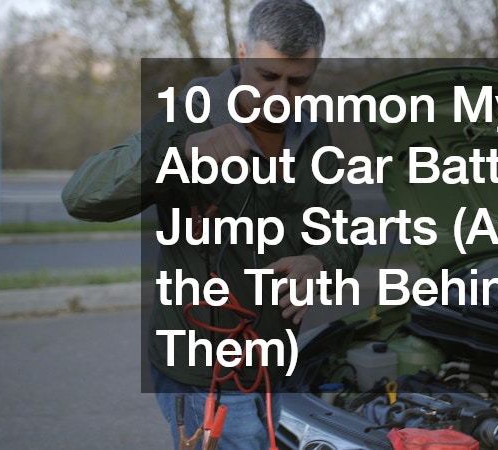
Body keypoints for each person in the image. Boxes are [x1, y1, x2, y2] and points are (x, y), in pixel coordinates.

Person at [62, 1, 362, 448]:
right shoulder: (190, 116)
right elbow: (82, 196)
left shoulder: (314, 133)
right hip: (205, 377)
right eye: (267, 76)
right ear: (242, 54)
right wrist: (178, 153)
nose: (281, 95)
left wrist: (320, 262)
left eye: (298, 81)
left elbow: (345, 230)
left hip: (274, 366)